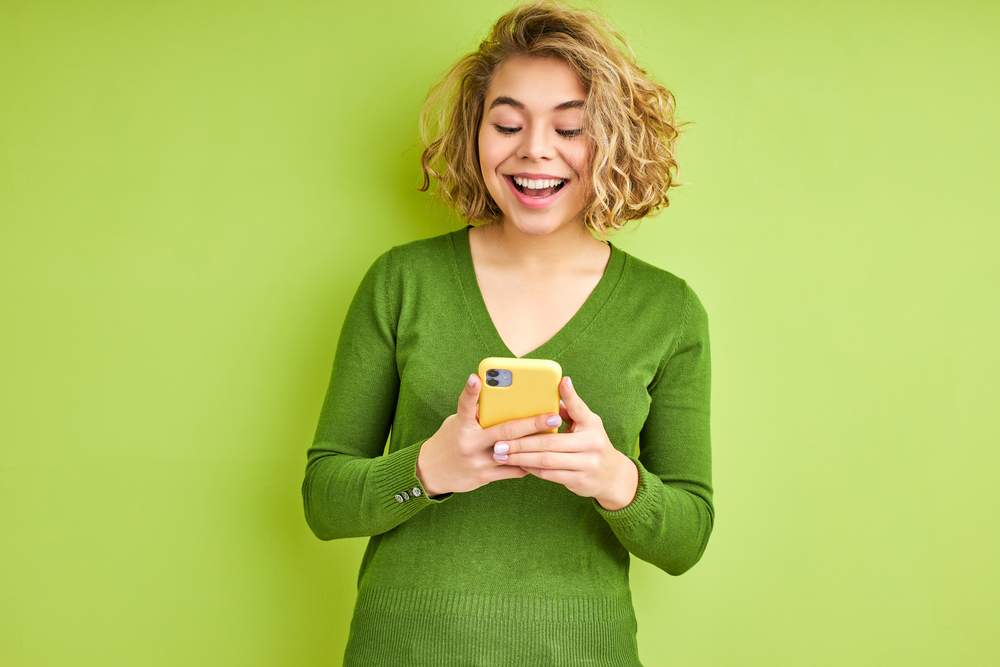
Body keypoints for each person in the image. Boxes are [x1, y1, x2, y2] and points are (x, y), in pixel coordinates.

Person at [302, 1, 713, 664]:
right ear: (477, 132)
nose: (534, 150)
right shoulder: (401, 282)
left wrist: (612, 476)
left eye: (570, 127)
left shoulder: (668, 311)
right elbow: (324, 502)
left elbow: (687, 538)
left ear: (608, 139)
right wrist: (430, 468)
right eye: (508, 124)